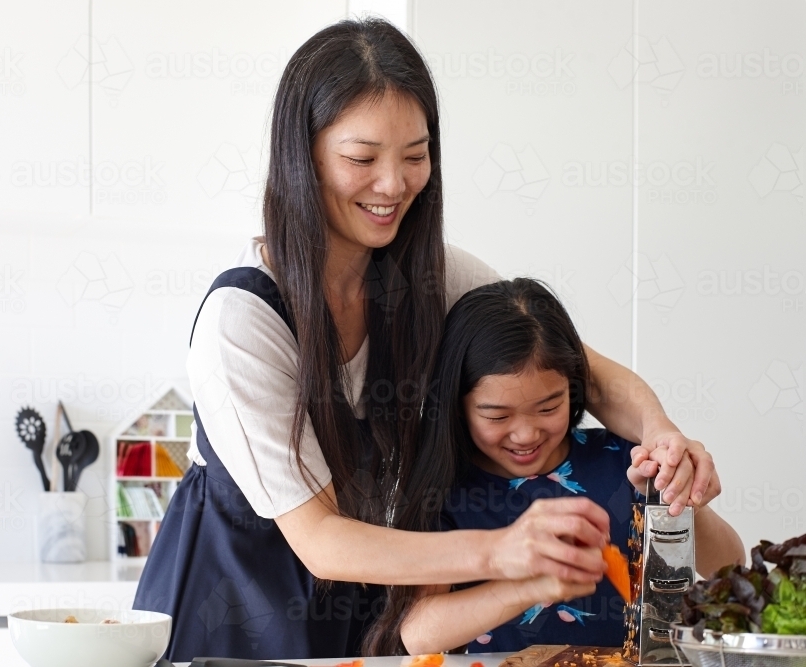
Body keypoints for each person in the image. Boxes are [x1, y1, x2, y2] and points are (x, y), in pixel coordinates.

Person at [133, 18, 719, 661]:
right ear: (304, 156)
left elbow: (588, 372)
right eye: (363, 159)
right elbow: (323, 540)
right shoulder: (244, 321)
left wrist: (661, 435)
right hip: (235, 603)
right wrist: (503, 553)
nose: (394, 185)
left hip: (371, 588)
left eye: (415, 156)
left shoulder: (434, 277)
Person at [365, 278, 744, 655]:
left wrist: (680, 498)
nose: (526, 434)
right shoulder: (444, 488)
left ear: (575, 388)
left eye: (548, 408)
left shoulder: (624, 460)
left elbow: (730, 565)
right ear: (456, 405)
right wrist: (529, 586)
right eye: (497, 416)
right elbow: (417, 634)